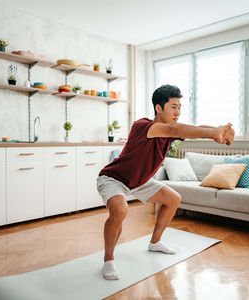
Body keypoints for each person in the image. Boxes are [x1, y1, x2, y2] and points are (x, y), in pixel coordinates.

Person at [97, 84, 235, 280]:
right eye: (173, 107)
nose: (177, 112)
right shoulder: (142, 126)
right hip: (114, 178)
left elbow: (192, 128)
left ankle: (155, 243)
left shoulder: (170, 131)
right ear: (158, 108)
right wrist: (213, 134)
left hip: (140, 181)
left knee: (173, 199)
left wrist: (218, 131)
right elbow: (174, 128)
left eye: (179, 107)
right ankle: (108, 260)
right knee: (120, 210)